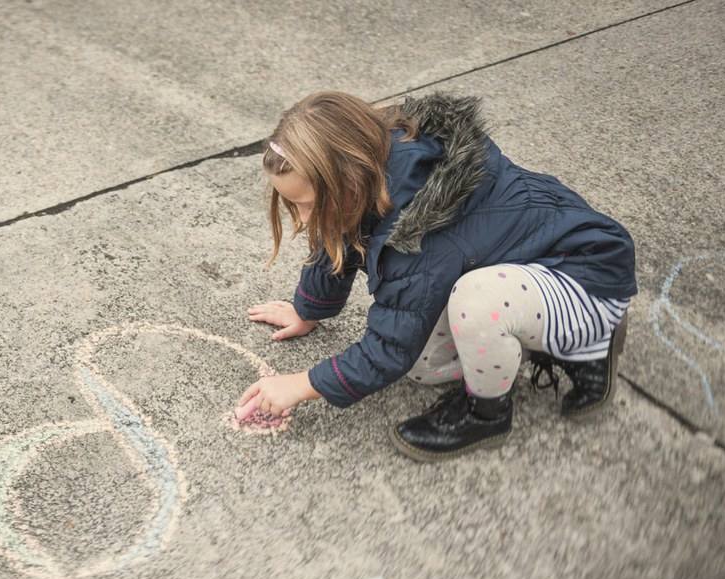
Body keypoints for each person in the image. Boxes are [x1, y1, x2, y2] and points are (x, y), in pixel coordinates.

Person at [238, 90, 636, 460]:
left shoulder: (421, 228)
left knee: (474, 304)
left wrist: (303, 384)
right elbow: (337, 236)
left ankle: (489, 413)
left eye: (308, 204)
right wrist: (308, 311)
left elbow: (389, 348)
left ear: (349, 179)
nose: (304, 219)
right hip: (527, 268)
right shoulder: (369, 170)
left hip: (585, 276)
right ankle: (528, 340)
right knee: (424, 364)